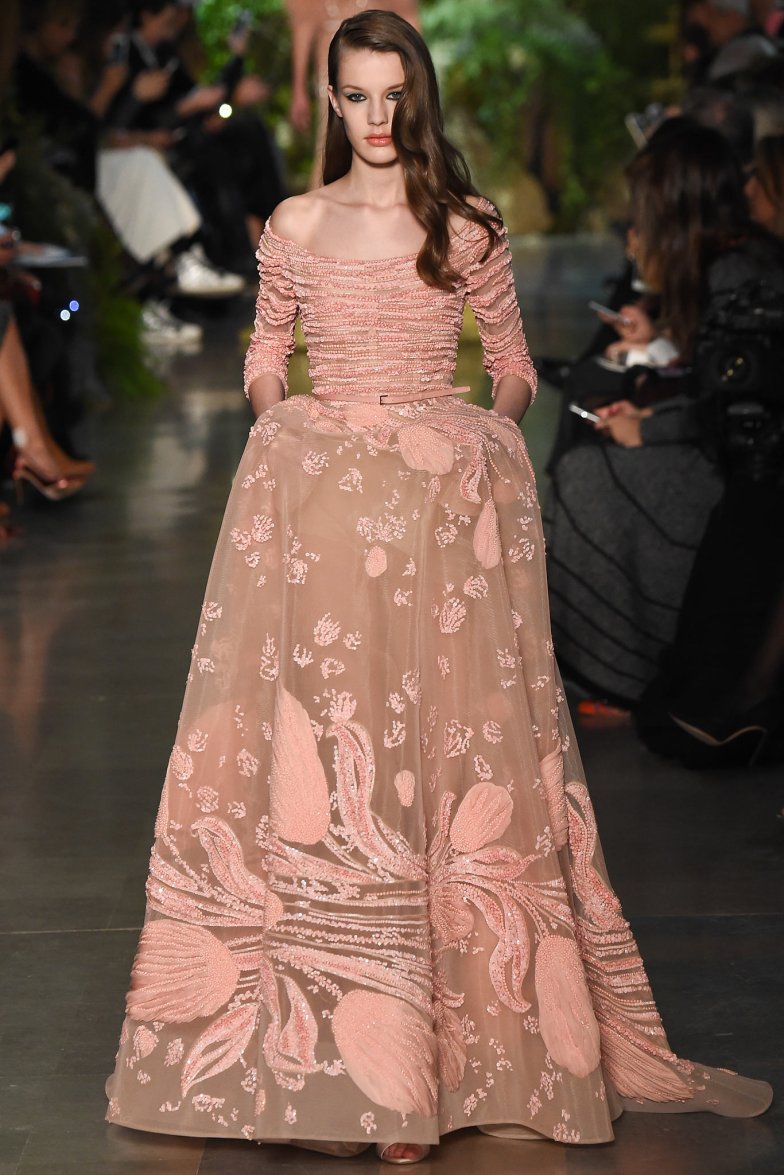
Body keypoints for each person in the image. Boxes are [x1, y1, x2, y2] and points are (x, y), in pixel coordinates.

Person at [105, 12, 772, 1164]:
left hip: (430, 522)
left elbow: (509, 369)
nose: (374, 117)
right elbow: (265, 356)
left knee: (435, 762)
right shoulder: (294, 223)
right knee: (332, 755)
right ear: (331, 101)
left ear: (414, 98)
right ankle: (334, 1053)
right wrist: (289, 424)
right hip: (325, 519)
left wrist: (475, 439)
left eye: (391, 95)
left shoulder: (466, 224)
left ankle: (427, 1059)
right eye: (355, 96)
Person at [545, 118, 784, 710]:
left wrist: (647, 427)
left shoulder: (737, 276)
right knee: (589, 456)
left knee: (586, 477)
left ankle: (619, 672)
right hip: (727, 463)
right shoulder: (728, 267)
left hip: (740, 485)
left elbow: (735, 414)